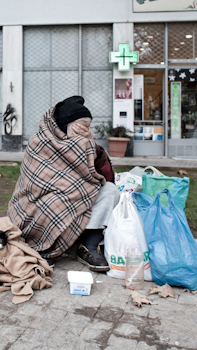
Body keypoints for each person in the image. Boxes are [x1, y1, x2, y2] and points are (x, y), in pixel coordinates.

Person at [8, 96, 120, 271]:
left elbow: (107, 177)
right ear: (64, 124)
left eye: (88, 127)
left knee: (110, 191)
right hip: (36, 205)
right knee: (56, 202)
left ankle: (88, 246)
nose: (85, 131)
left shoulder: (87, 147)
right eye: (81, 126)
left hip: (73, 202)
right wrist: (70, 192)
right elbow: (35, 185)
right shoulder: (39, 142)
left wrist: (93, 148)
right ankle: (42, 248)